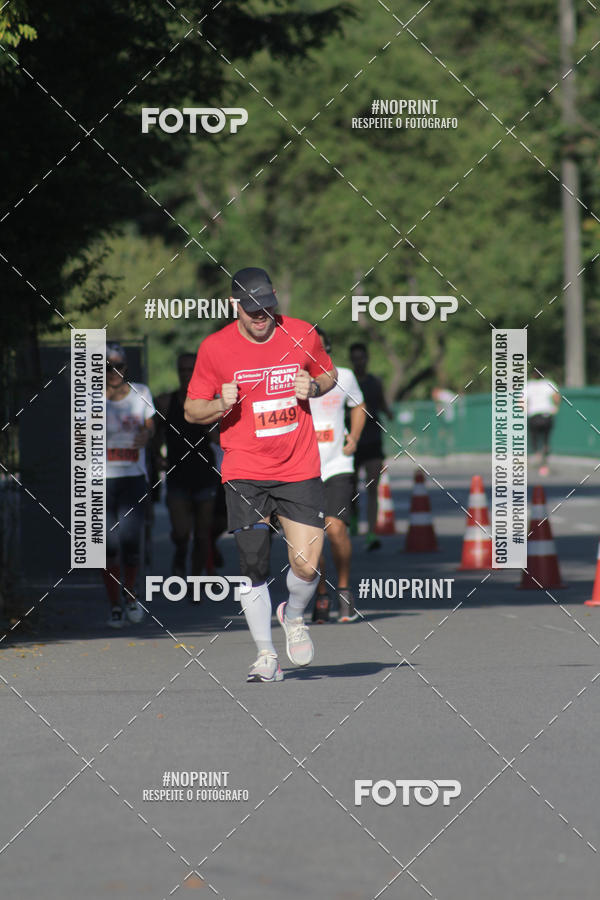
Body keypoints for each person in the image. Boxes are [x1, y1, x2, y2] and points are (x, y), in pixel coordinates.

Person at [184, 267, 337, 683]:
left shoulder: (303, 333)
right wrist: (219, 403)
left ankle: (295, 613)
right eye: (252, 310)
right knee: (253, 561)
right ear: (235, 305)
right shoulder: (215, 348)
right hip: (245, 468)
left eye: (267, 307)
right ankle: (266, 657)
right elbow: (191, 410)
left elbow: (328, 373)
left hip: (298, 465)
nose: (261, 316)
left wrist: (315, 387)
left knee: (306, 565)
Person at [309, 327, 366, 623]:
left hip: (337, 464)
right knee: (312, 536)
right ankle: (321, 593)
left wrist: (353, 437)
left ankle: (343, 589)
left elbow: (358, 405)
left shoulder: (343, 376)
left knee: (335, 529)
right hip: (304, 467)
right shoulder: (295, 380)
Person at [154, 353, 220, 583]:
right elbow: (154, 435)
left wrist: (212, 425)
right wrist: (156, 458)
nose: (186, 374)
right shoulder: (165, 402)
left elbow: (222, 439)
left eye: (191, 369)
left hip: (205, 476)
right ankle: (181, 554)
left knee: (203, 536)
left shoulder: (211, 403)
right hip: (177, 477)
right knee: (181, 533)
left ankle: (195, 579)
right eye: (182, 369)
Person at [104, 342, 154, 627]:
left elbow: (150, 425)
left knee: (130, 541)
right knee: (108, 546)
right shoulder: (89, 397)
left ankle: (131, 595)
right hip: (100, 480)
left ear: (126, 368)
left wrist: (146, 437)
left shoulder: (141, 392)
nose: (113, 372)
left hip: (132, 478)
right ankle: (114, 605)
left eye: (118, 366)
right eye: (107, 367)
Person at [349, 342, 392, 550]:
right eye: (355, 358)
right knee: (351, 487)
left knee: (373, 487)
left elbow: (382, 403)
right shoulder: (346, 383)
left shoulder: (375, 382)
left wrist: (388, 412)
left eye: (362, 358)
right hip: (352, 441)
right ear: (351, 361)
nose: (359, 362)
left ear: (367, 359)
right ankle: (355, 520)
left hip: (374, 439)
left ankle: (372, 532)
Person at [526, 374, 561, 476]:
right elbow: (556, 397)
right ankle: (544, 459)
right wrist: (555, 407)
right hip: (547, 415)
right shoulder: (549, 383)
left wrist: (526, 411)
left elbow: (521, 401)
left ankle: (537, 455)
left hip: (534, 416)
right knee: (546, 438)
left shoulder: (529, 385)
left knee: (535, 437)